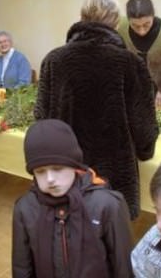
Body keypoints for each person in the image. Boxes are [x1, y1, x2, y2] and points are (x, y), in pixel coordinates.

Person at [34, 0, 159, 220]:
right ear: (115, 22)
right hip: (116, 170)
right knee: (113, 226)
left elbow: (41, 117)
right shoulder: (129, 63)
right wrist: (145, 151)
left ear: (82, 18)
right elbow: (144, 124)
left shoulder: (54, 60)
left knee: (73, 224)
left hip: (70, 168)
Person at [13, 119, 134, 278]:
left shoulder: (107, 205)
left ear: (74, 165)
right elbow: (21, 266)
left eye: (57, 168)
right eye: (40, 171)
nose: (50, 178)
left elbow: (123, 265)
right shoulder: (25, 208)